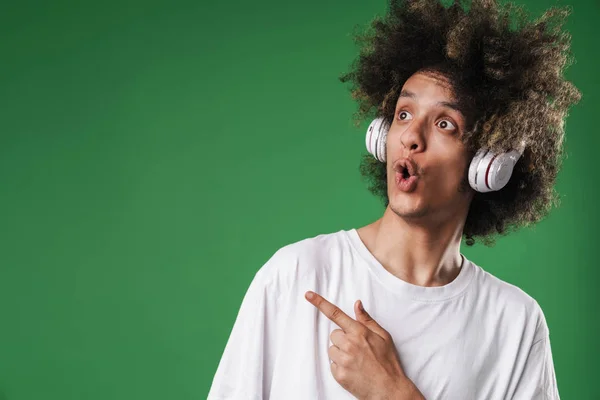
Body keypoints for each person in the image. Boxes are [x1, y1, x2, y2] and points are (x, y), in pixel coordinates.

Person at [207, 0, 581, 398]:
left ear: (489, 163)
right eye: (403, 114)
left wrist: (394, 393)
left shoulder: (516, 324)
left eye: (444, 124)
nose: (411, 136)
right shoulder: (295, 276)